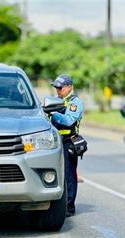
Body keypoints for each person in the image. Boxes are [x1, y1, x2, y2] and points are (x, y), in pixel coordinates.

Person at [50, 74, 84, 217]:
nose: (57, 90)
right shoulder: (55, 101)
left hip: (68, 141)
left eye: (60, 87)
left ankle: (69, 206)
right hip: (54, 141)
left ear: (69, 87)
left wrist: (53, 113)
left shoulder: (75, 102)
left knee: (69, 175)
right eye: (56, 87)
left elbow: (69, 120)